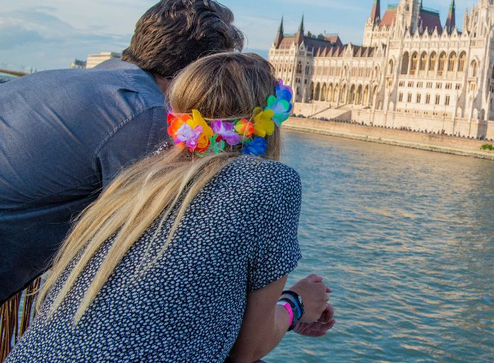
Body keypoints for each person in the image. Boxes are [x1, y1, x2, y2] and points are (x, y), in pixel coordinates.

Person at [7, 52, 335, 362]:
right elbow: (250, 348)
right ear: (269, 120)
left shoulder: (137, 177)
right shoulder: (271, 181)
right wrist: (296, 304)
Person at [0, 0, 244, 304]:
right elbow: (158, 261)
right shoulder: (145, 115)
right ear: (195, 74)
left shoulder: (60, 81)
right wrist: (289, 305)